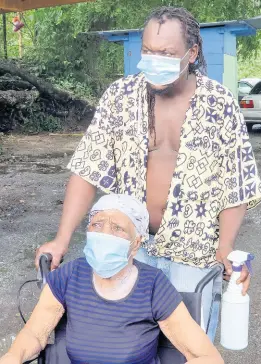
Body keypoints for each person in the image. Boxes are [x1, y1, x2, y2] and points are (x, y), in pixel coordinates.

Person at [36, 6, 261, 336]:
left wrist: (224, 246)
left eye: (167, 53)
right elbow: (87, 169)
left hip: (193, 254)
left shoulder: (220, 104)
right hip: (128, 248)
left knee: (188, 348)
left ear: (192, 52)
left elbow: (236, 184)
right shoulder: (120, 97)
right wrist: (61, 239)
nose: (155, 60)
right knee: (127, 342)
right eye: (148, 52)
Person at [0, 195, 223, 364]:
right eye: (97, 224)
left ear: (136, 244)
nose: (104, 233)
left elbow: (207, 357)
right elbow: (34, 334)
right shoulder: (68, 276)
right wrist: (12, 357)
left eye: (117, 228)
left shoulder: (153, 285)